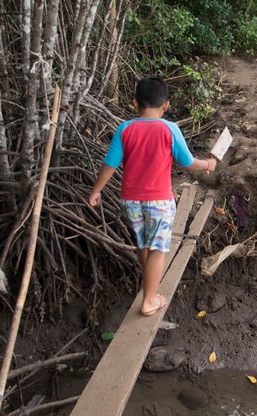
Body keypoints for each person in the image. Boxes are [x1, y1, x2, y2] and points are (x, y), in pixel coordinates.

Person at [89, 77, 217, 316]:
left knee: (142, 241)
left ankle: (148, 280)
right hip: (159, 200)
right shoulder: (169, 129)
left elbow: (110, 164)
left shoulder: (125, 128)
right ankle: (149, 301)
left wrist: (96, 190)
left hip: (130, 199)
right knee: (158, 249)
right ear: (166, 105)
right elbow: (188, 162)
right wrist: (208, 163)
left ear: (135, 103)